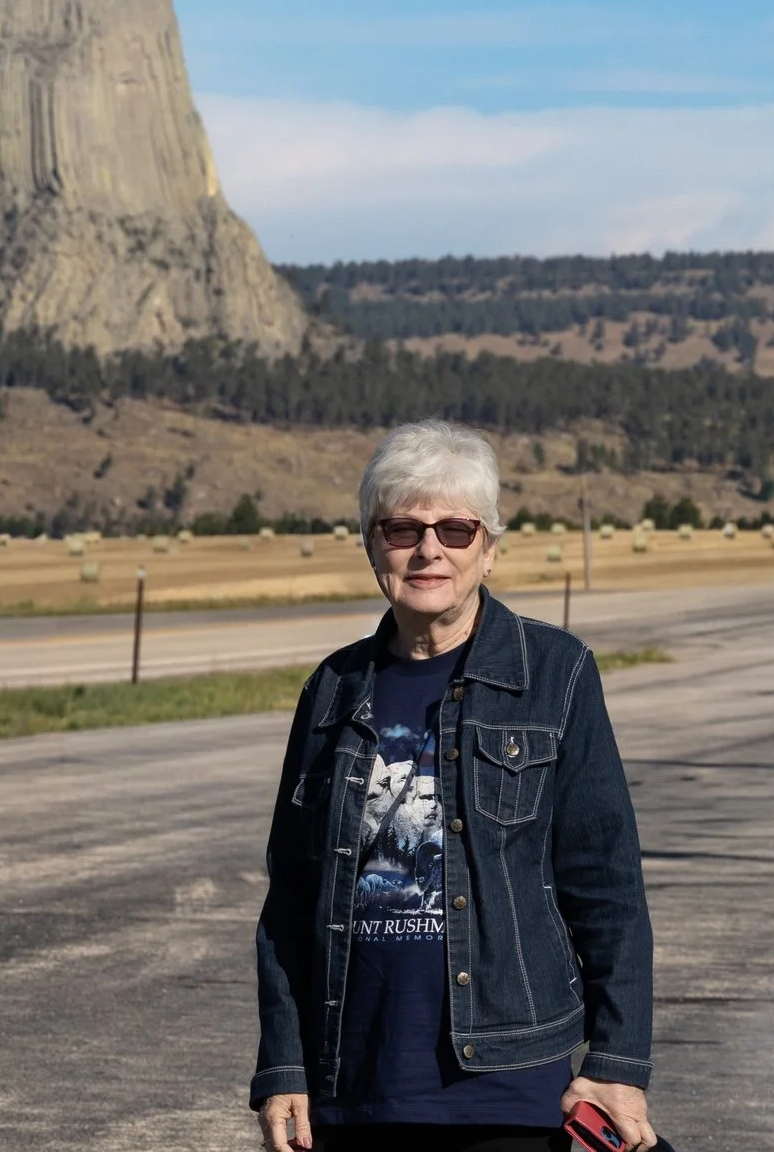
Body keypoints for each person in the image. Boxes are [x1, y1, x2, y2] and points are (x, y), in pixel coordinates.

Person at [253, 420, 661, 1152]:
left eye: (456, 528)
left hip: (506, 1088)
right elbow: (291, 901)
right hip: (352, 1092)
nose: (428, 547)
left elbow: (607, 886)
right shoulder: (333, 688)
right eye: (403, 527)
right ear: (372, 544)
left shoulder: (555, 673)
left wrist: (617, 1063)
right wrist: (283, 1063)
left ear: (490, 547)